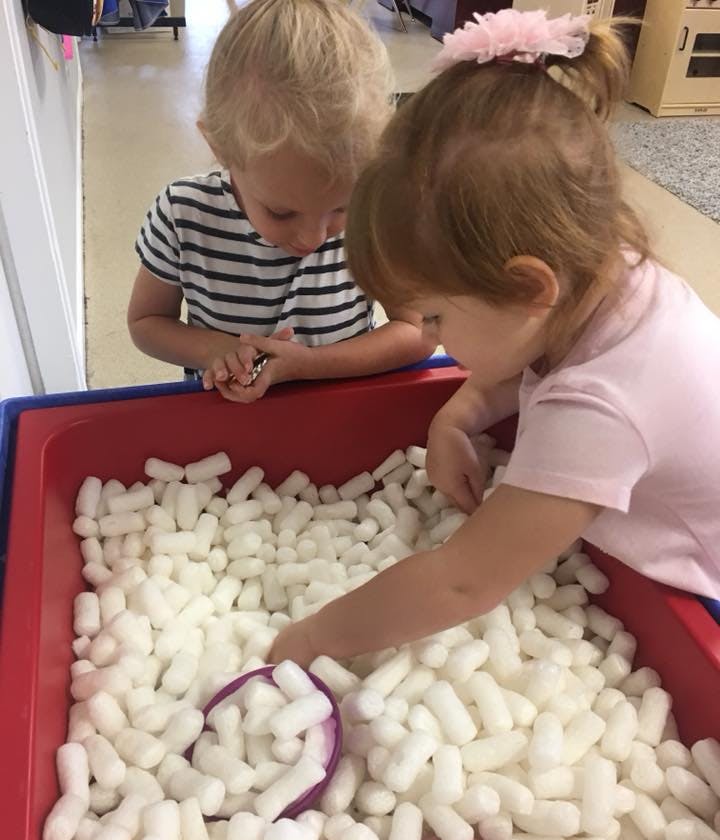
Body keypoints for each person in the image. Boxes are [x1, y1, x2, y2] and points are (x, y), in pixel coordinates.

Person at [271, 11, 720, 666]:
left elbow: (463, 580)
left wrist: (316, 636)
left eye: (434, 319)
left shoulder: (602, 409)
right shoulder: (593, 268)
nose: (426, 336)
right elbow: (524, 352)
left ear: (529, 288)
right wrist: (458, 416)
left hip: (700, 585)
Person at [127, 0, 430, 401]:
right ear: (222, 149)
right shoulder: (183, 215)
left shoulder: (375, 218)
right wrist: (217, 350)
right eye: (281, 211)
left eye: (341, 207)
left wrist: (310, 364)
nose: (313, 237)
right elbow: (146, 321)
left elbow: (418, 332)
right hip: (222, 422)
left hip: (343, 416)